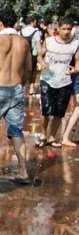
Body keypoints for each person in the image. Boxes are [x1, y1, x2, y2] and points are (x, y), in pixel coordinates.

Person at [0, 8, 33, 182]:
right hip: (16, 88)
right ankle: (23, 171)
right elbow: (28, 69)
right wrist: (21, 83)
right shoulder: (24, 42)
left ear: (0, 23)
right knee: (16, 132)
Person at [36, 18, 79, 148]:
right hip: (47, 80)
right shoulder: (49, 41)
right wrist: (42, 63)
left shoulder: (75, 44)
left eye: (69, 29)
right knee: (46, 110)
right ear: (58, 28)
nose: (66, 32)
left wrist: (75, 70)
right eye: (64, 29)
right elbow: (39, 55)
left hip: (64, 81)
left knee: (59, 112)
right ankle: (43, 134)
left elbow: (77, 62)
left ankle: (52, 137)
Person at [20, 16, 42, 97]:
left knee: (22, 71)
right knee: (33, 72)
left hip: (23, 55)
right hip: (33, 56)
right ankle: (31, 89)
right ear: (32, 22)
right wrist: (41, 56)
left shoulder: (21, 31)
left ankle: (22, 87)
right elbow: (38, 46)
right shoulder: (36, 32)